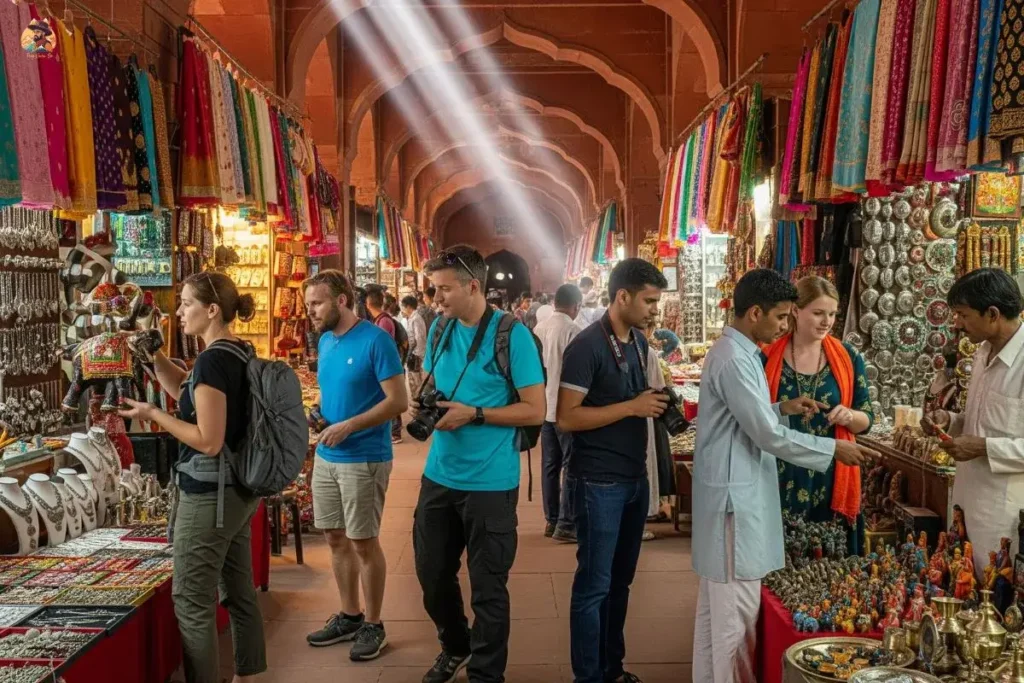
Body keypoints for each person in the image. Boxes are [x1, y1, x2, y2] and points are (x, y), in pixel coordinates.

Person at [690, 268, 875, 683]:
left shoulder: (741, 353)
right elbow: (766, 435)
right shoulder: (735, 358)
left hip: (736, 493)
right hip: (734, 503)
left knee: (718, 619)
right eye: (780, 316)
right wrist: (833, 449)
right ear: (755, 313)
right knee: (734, 624)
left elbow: (750, 420)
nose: (784, 325)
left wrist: (781, 408)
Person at [118, 272, 266, 683]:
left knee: (192, 602)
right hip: (235, 489)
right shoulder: (237, 351)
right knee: (239, 591)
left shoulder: (213, 360)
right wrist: (153, 357)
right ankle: (251, 676)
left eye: (186, 303)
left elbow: (208, 439)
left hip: (210, 493)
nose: (179, 311)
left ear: (212, 309)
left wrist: (153, 414)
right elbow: (187, 392)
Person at [413, 245, 545, 683]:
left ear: (473, 286)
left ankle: (486, 674)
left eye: (443, 289)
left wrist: (475, 413)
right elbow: (436, 386)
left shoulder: (512, 336)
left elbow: (535, 410)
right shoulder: (440, 329)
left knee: (488, 587)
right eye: (433, 290)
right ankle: (455, 645)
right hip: (440, 473)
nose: (436, 299)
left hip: (491, 481)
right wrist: (421, 407)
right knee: (432, 574)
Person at [557, 258, 670, 683]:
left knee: (620, 583)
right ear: (622, 296)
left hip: (632, 478)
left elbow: (632, 397)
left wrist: (655, 402)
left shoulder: (638, 342)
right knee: (593, 587)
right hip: (597, 480)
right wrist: (632, 407)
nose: (655, 310)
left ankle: (611, 668)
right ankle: (587, 676)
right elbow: (566, 417)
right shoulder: (586, 346)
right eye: (649, 301)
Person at [301, 270, 408, 660]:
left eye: (317, 303)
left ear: (342, 300)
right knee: (334, 537)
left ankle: (374, 624)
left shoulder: (377, 341)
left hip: (364, 457)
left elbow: (398, 401)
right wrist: (319, 411)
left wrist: (350, 425)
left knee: (363, 541)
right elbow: (334, 391)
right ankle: (349, 614)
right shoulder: (326, 340)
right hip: (328, 456)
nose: (311, 311)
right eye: (308, 304)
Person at [761, 276, 873, 554]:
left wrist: (849, 416)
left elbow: (866, 419)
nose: (827, 322)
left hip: (832, 472)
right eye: (819, 313)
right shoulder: (766, 357)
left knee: (830, 562)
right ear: (796, 311)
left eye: (832, 314)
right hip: (781, 469)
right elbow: (756, 417)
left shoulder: (848, 357)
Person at [923, 268, 1024, 575]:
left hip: (1003, 516)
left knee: (997, 590)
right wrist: (951, 420)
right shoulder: (982, 353)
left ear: (992, 314)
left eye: (963, 314)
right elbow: (985, 421)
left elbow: (988, 438)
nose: (956, 323)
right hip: (967, 503)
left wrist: (982, 447)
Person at [533, 283, 582, 542]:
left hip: (543, 406)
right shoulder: (574, 331)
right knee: (570, 465)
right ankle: (566, 523)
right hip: (566, 409)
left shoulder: (538, 329)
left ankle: (551, 520)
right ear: (576, 306)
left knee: (549, 466)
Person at [366, 287, 406, 444]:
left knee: (391, 397)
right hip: (384, 365)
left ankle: (395, 432)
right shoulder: (381, 319)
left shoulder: (383, 321)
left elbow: (382, 347)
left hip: (387, 366)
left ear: (368, 304)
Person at [401, 294, 428, 399]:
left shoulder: (416, 319)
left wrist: (412, 354)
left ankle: (418, 402)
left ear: (408, 307)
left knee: (417, 383)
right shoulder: (412, 318)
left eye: (403, 307)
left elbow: (418, 339)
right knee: (413, 382)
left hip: (417, 355)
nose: (402, 309)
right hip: (415, 354)